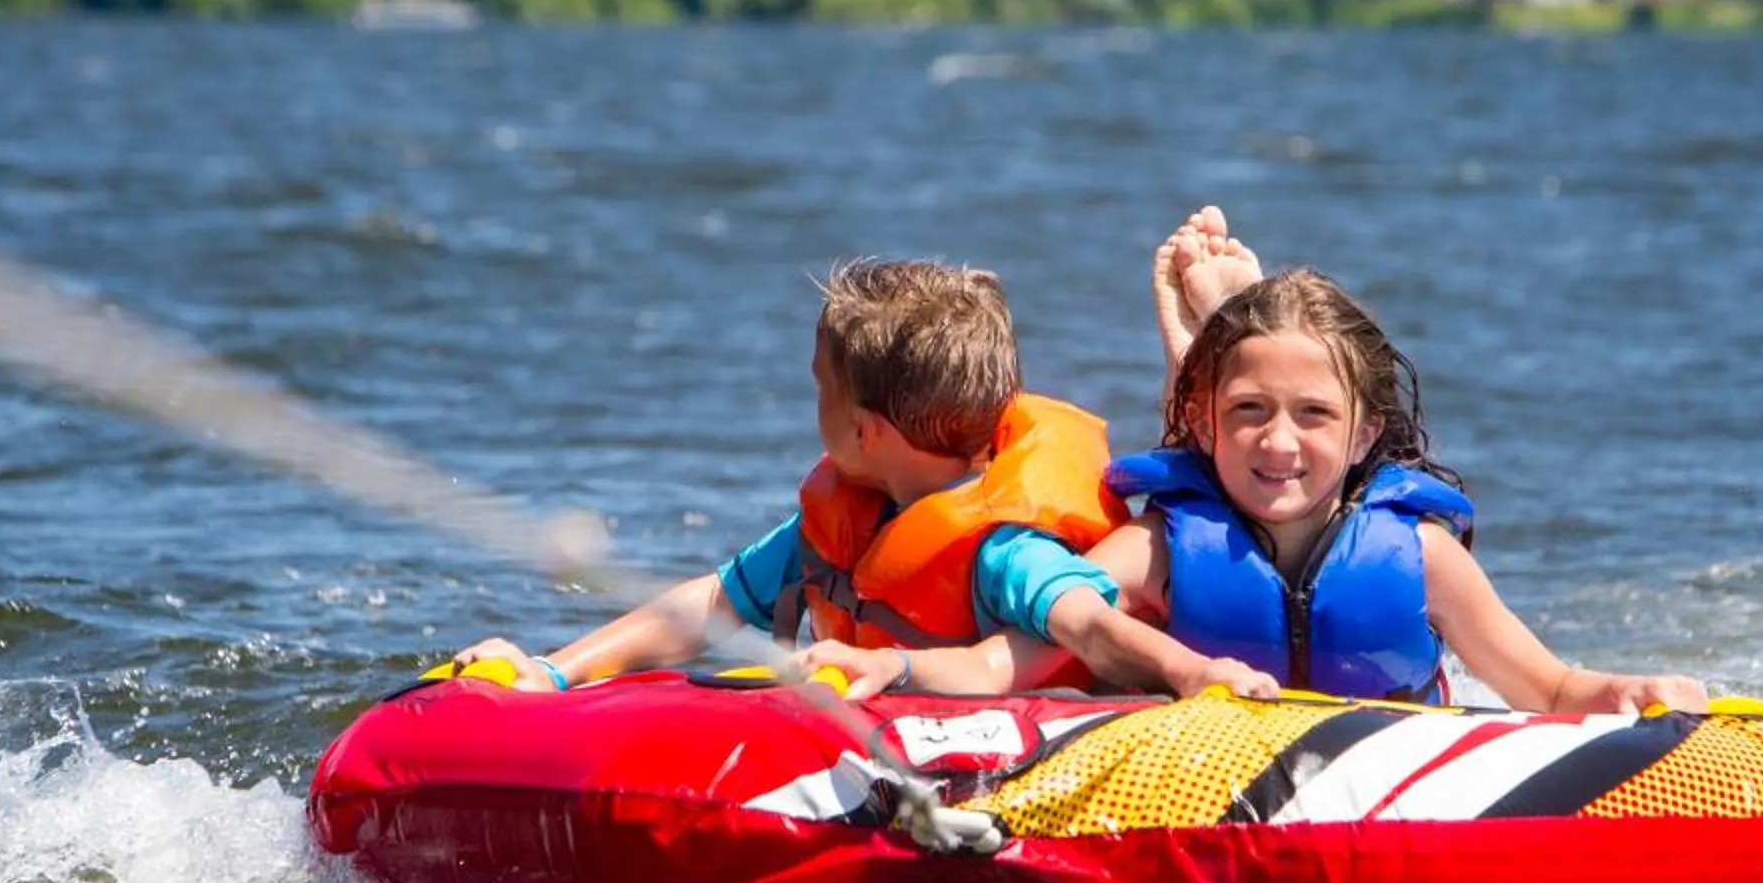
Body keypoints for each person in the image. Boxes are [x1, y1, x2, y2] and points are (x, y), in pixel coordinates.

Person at [812, 216, 1707, 714]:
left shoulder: (1419, 555)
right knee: (1201, 458)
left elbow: (1545, 685)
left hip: (1389, 768)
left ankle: (1223, 329)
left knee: (1252, 390)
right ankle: (1214, 344)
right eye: (1250, 415)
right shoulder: (1162, 549)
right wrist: (903, 669)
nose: (1280, 443)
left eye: (1314, 416)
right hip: (1209, 777)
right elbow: (1022, 656)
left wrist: (1623, 691)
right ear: (1213, 422)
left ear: (1364, 437)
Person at [451, 257, 1273, 700]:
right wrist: (555, 673)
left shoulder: (1006, 551)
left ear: (862, 431)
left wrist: (1193, 675)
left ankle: (1218, 338)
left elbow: (1090, 627)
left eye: (819, 388)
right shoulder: (841, 525)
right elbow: (710, 605)